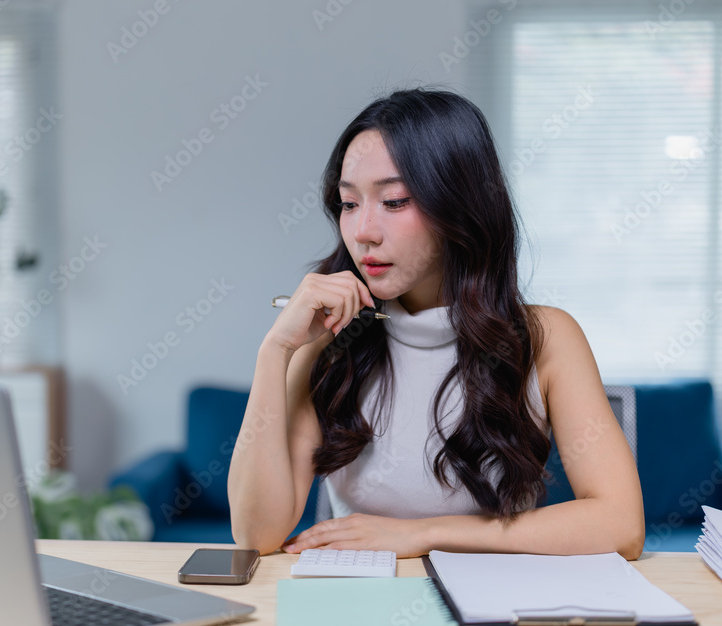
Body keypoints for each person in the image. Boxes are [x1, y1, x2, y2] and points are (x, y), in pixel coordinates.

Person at [226, 87, 645, 560]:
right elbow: (256, 536)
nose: (363, 231)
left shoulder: (545, 337)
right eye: (348, 203)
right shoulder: (330, 337)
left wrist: (422, 535)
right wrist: (275, 352)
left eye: (395, 201)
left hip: (495, 606)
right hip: (361, 604)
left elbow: (621, 525)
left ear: (458, 207)